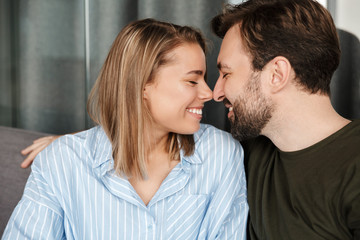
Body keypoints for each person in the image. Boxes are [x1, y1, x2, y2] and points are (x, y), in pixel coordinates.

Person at [3, 18, 248, 239]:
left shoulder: (220, 154)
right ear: (142, 85)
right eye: (192, 81)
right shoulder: (62, 161)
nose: (209, 93)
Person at [211, 0, 360, 239]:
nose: (216, 93)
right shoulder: (242, 155)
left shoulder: (353, 167)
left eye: (226, 73)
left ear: (277, 75)